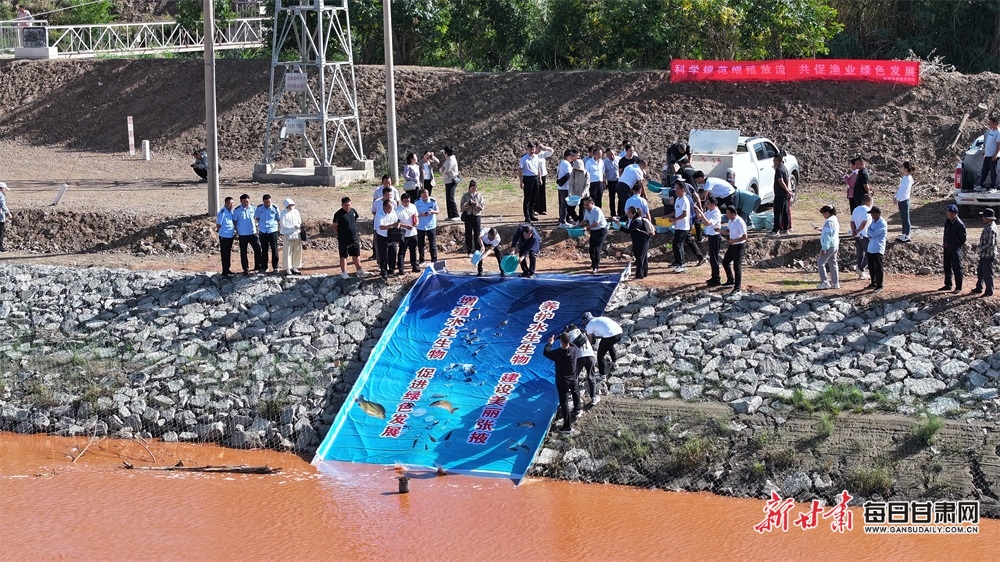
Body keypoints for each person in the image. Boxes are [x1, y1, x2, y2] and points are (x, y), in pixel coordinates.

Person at [542, 333, 581, 434]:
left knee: (564, 403)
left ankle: (567, 426)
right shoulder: (575, 350)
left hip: (562, 381)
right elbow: (574, 345)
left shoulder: (557, 353)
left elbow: (546, 352)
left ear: (561, 342)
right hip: (573, 378)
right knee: (576, 393)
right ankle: (578, 409)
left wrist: (549, 343)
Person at [582, 311, 623, 382]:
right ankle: (615, 363)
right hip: (619, 333)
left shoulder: (589, 324)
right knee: (610, 345)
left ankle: (602, 375)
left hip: (610, 336)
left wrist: (589, 348)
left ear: (586, 320)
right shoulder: (600, 319)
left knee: (600, 355)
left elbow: (589, 339)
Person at [332, 197, 366, 279]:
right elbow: (334, 226)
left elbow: (354, 220)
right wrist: (340, 233)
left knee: (356, 255)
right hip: (344, 239)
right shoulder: (338, 214)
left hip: (354, 238)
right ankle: (344, 272)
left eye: (349, 205)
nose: (348, 207)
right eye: (346, 205)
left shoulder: (353, 211)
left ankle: (359, 270)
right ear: (342, 205)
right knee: (343, 256)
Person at [566, 324, 600, 405]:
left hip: (579, 358)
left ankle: (574, 395)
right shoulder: (582, 333)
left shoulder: (569, 336)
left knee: (575, 376)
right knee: (591, 376)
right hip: (590, 356)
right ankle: (593, 397)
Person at [940, 203, 967, 293]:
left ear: (953, 213)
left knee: (957, 268)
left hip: (954, 249)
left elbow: (962, 239)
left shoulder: (959, 224)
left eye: (948, 211)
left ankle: (958, 287)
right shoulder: (948, 221)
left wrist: (954, 246)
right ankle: (948, 284)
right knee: (947, 266)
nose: (946, 213)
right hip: (947, 248)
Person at [232, 194, 263, 274]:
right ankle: (245, 268)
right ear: (241, 201)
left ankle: (258, 265)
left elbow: (257, 218)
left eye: (247, 202)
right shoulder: (237, 210)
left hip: (253, 232)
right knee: (243, 252)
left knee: (258, 249)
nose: (246, 203)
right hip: (243, 234)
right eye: (244, 202)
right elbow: (234, 221)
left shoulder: (253, 208)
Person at [695, 196, 723, 286]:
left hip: (715, 237)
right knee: (712, 258)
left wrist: (701, 212)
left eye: (708, 204)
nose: (706, 205)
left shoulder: (716, 213)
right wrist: (697, 210)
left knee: (714, 258)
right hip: (711, 236)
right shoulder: (710, 211)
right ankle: (714, 276)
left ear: (713, 204)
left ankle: (717, 278)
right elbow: (700, 218)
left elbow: (707, 223)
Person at [972, 208, 998, 297]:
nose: (982, 218)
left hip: (988, 254)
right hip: (984, 254)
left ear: (988, 218)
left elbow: (991, 244)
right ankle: (979, 287)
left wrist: (980, 248)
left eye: (984, 217)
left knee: (987, 273)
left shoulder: (991, 229)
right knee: (981, 271)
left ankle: (989, 291)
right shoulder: (988, 226)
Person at [722, 206, 748, 294]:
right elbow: (728, 231)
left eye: (728, 213)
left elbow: (745, 237)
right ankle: (730, 280)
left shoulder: (740, 222)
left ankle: (737, 287)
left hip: (739, 246)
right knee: (725, 262)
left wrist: (734, 240)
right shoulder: (730, 220)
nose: (726, 215)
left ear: (733, 214)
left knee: (737, 267)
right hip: (732, 245)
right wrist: (720, 231)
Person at [579, 196, 607, 274]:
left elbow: (596, 223)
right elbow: (584, 220)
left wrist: (587, 227)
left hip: (601, 230)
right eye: (584, 205)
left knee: (597, 249)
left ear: (592, 203)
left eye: (587, 205)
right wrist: (575, 226)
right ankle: (593, 263)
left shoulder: (597, 210)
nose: (586, 207)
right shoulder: (587, 211)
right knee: (591, 249)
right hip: (593, 231)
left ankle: (596, 267)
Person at [375, 199, 401, 280]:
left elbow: (396, 220)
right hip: (382, 236)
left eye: (391, 208)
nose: (390, 210)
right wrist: (392, 225)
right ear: (384, 207)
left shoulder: (393, 212)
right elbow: (381, 227)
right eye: (389, 208)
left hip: (392, 236)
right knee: (383, 255)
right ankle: (383, 272)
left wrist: (397, 224)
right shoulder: (379, 214)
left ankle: (391, 270)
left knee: (393, 252)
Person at [815, 205, 841, 289]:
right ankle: (835, 283)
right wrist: (820, 229)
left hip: (829, 246)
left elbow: (827, 236)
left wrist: (824, 248)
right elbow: (831, 232)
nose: (823, 216)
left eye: (823, 213)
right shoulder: (834, 219)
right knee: (833, 263)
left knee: (820, 263)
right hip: (834, 245)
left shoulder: (829, 222)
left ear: (827, 213)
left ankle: (825, 282)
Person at [625, 206, 654, 279]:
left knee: (640, 256)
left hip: (642, 240)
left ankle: (639, 274)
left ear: (633, 213)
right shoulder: (633, 220)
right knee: (640, 256)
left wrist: (619, 226)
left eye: (628, 212)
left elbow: (629, 230)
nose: (627, 214)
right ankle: (644, 273)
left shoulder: (637, 221)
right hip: (638, 240)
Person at [254, 194, 281, 273]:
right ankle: (264, 267)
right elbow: (256, 218)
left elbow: (278, 219)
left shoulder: (275, 208)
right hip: (263, 231)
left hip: (272, 230)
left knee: (274, 249)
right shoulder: (259, 208)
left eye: (269, 202)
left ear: (271, 200)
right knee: (264, 249)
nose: (267, 204)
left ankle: (275, 267)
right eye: (266, 202)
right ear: (263, 202)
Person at [395, 193, 419, 274]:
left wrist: (416, 223)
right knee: (402, 251)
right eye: (405, 201)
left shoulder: (413, 206)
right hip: (403, 234)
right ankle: (401, 269)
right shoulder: (398, 210)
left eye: (408, 201)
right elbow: (396, 223)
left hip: (413, 232)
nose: (407, 203)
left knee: (413, 250)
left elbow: (416, 216)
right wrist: (406, 226)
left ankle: (414, 266)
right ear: (402, 201)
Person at [850, 193, 872, 280]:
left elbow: (852, 222)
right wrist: (858, 230)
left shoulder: (856, 209)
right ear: (869, 201)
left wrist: (854, 231)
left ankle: (861, 273)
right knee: (868, 253)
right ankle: (861, 269)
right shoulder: (867, 210)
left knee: (860, 253)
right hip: (864, 234)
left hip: (857, 235)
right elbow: (864, 222)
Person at [555, 148, 579, 226]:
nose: (573, 157)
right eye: (572, 156)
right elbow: (570, 175)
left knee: (563, 205)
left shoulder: (562, 162)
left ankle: (563, 220)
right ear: (568, 156)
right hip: (565, 188)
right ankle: (562, 221)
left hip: (562, 187)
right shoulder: (566, 163)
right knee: (564, 205)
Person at [518, 143, 542, 222]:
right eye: (530, 149)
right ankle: (527, 216)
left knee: (534, 198)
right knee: (527, 198)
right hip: (528, 178)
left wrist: (540, 178)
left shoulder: (536, 157)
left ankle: (532, 214)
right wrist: (521, 181)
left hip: (535, 177)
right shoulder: (524, 158)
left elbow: (538, 168)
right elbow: (520, 169)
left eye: (533, 149)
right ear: (527, 149)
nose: (532, 151)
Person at [415, 188, 439, 264]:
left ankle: (434, 260)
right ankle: (422, 260)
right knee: (420, 244)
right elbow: (414, 214)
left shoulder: (432, 201)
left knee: (432, 244)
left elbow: (438, 211)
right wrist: (421, 214)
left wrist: (432, 212)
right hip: (421, 225)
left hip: (431, 225)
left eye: (427, 193)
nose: (426, 195)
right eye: (424, 194)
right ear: (421, 195)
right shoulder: (417, 203)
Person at [460, 180, 485, 255]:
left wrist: (476, 205)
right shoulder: (465, 196)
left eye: (475, 188)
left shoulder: (480, 196)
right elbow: (461, 208)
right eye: (472, 188)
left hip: (477, 216)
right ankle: (469, 251)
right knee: (468, 234)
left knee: (477, 234)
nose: (474, 190)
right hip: (468, 216)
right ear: (469, 188)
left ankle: (477, 250)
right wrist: (467, 204)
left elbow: (482, 207)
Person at [866, 206, 887, 292]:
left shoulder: (882, 223)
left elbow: (873, 234)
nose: (871, 216)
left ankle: (879, 285)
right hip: (871, 247)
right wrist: (870, 232)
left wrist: (870, 232)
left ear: (878, 213)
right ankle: (873, 282)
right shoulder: (874, 222)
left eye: (873, 214)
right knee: (871, 266)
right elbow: (868, 231)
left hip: (877, 248)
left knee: (878, 267)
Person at [279, 198, 303, 276]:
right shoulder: (283, 213)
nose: (291, 207)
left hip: (297, 233)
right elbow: (283, 225)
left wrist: (297, 226)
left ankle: (295, 266)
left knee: (297, 250)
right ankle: (288, 268)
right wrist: (293, 227)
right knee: (288, 251)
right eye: (289, 206)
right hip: (288, 234)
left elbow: (299, 221)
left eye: (292, 205)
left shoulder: (296, 212)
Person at [770, 154, 792, 236]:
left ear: (778, 160)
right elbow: (788, 179)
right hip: (785, 195)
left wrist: (786, 190)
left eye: (774, 160)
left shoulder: (779, 170)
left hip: (780, 194)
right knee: (785, 212)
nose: (773, 162)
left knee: (778, 212)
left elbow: (781, 181)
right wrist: (788, 190)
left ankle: (776, 230)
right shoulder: (784, 168)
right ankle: (786, 229)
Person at [977, 116, 1000, 191]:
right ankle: (981, 185)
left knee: (993, 172)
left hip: (993, 155)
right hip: (987, 155)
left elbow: (999, 145)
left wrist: (995, 155)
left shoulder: (998, 132)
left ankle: (993, 187)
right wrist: (985, 153)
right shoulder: (991, 131)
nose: (988, 124)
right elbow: (989, 143)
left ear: (995, 123)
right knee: (984, 171)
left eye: (990, 122)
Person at [216, 196, 236, 276]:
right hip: (224, 236)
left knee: (228, 253)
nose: (231, 205)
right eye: (229, 204)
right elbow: (218, 225)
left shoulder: (231, 212)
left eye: (232, 203)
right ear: (225, 203)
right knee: (225, 253)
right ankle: (225, 271)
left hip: (230, 235)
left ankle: (228, 269)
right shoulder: (222, 212)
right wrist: (221, 233)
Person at [894, 161, 914, 242]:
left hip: (904, 200)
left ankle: (907, 235)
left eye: (902, 167)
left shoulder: (908, 179)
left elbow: (903, 191)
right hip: (901, 200)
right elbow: (900, 189)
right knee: (903, 218)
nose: (901, 168)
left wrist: (897, 198)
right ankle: (903, 234)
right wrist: (896, 196)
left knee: (906, 218)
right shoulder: (905, 178)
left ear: (905, 169)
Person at [566, 158, 590, 223]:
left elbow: (587, 185)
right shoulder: (573, 173)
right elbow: (571, 184)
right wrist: (570, 192)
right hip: (574, 195)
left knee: (582, 211)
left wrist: (583, 194)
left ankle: (581, 223)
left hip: (583, 195)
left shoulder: (586, 174)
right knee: (569, 209)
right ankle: (576, 219)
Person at [440, 146, 460, 220]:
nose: (443, 154)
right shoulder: (448, 159)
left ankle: (456, 215)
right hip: (448, 181)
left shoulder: (451, 159)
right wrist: (442, 169)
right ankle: (450, 215)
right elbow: (442, 168)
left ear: (446, 153)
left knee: (451, 198)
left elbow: (446, 170)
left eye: (444, 153)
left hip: (451, 180)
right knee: (448, 198)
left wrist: (443, 169)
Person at [535, 142, 554, 215]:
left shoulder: (542, 153)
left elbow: (551, 151)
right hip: (536, 175)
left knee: (542, 192)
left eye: (540, 148)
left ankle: (542, 209)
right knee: (536, 192)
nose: (540, 149)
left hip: (543, 174)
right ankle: (535, 209)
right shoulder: (533, 155)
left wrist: (544, 147)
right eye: (538, 147)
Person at [603, 146, 620, 215]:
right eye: (609, 155)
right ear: (607, 155)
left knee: (620, 197)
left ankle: (620, 212)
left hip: (619, 181)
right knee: (612, 198)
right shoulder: (605, 162)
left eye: (612, 154)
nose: (611, 156)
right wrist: (605, 182)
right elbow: (604, 173)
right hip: (611, 182)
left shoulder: (619, 159)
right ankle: (613, 214)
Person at [0, 182, 12, 252]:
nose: (5, 190)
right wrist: (8, 213)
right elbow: (3, 205)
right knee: (1, 232)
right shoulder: (1, 195)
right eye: (4, 189)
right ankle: (0, 247)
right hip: (0, 217)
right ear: (1, 188)